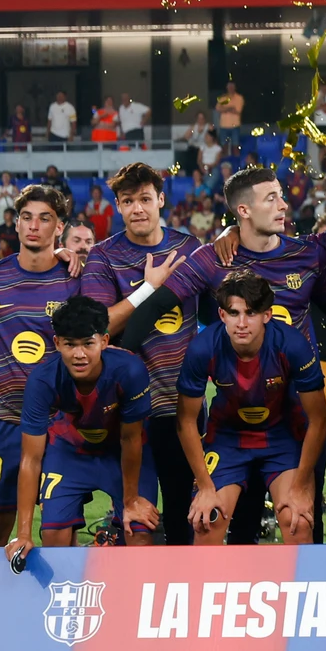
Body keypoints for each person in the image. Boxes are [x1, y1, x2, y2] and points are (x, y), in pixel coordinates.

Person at [0, 183, 78, 651]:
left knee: (58, 528)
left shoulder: (76, 279)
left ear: (60, 226)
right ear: (15, 223)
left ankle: (58, 630)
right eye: (25, 217)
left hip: (58, 423)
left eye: (44, 217)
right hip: (0, 419)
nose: (34, 225)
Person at [79, 163, 200, 534]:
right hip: (131, 407)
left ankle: (185, 591)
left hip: (185, 406)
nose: (138, 209)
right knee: (135, 518)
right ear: (117, 206)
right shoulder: (104, 256)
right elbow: (96, 328)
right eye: (128, 201)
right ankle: (134, 592)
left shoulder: (189, 249)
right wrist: (147, 289)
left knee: (186, 515)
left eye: (145, 199)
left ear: (161, 200)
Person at [176, 270, 326, 546]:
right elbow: (185, 421)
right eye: (233, 314)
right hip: (228, 438)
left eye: (251, 313)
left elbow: (319, 419)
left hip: (281, 437)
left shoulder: (292, 345)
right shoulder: (202, 348)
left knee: (298, 521)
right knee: (206, 521)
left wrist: (301, 486)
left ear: (267, 315)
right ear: (222, 316)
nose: (242, 323)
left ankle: (297, 589)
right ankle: (208, 588)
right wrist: (206, 486)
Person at [5, 298, 159, 566]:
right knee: (53, 538)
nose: (79, 354)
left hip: (121, 455)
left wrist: (131, 499)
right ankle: (72, 604)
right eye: (70, 344)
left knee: (140, 532)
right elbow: (31, 459)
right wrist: (23, 533)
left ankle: (130, 603)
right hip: (70, 452)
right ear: (56, 344)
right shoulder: (42, 380)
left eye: (88, 343)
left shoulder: (130, 370)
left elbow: (131, 438)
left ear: (104, 340)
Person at [215, 80, 245, 152]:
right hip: (223, 126)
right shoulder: (223, 98)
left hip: (235, 126)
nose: (230, 88)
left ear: (235, 87)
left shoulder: (239, 98)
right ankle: (225, 162)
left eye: (232, 86)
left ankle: (236, 162)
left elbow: (237, 111)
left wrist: (224, 108)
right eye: (229, 86)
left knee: (235, 146)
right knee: (223, 147)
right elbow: (217, 108)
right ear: (227, 87)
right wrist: (230, 108)